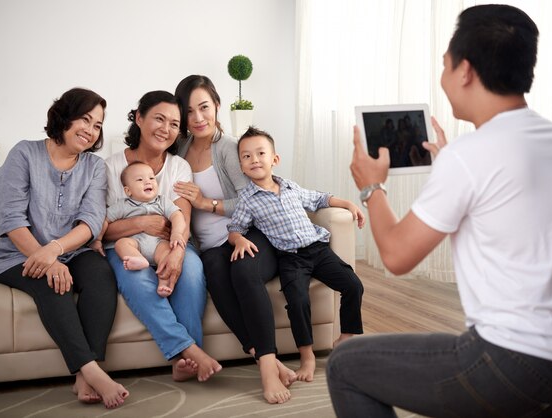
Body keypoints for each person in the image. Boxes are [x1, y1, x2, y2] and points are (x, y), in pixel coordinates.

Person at [327, 4, 552, 418]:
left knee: (345, 365)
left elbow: (395, 256)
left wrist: (371, 187)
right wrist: (454, 162)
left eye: (445, 65)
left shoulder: (471, 156)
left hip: (513, 366)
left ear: (465, 70)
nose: (443, 77)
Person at [0, 87, 129, 409]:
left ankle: (83, 378)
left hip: (72, 251)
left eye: (97, 124)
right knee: (54, 285)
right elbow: (10, 218)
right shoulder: (24, 153)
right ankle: (93, 370)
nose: (90, 130)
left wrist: (54, 250)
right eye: (84, 119)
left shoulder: (93, 167)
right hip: (16, 255)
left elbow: (91, 221)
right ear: (64, 116)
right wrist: (47, 259)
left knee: (100, 275)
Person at [173, 75, 296, 404]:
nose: (198, 118)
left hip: (250, 233)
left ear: (216, 106)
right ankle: (262, 355)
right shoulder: (180, 149)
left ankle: (267, 370)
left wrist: (206, 204)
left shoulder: (228, 148)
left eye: (204, 108)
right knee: (215, 274)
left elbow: (250, 199)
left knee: (243, 271)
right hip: (212, 246)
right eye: (189, 112)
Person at [228, 126, 366, 383]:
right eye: (247, 156)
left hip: (318, 249)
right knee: (299, 300)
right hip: (290, 258)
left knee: (353, 285)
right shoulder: (247, 199)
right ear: (241, 166)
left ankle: (346, 338)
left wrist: (348, 204)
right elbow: (235, 227)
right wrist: (238, 240)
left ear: (274, 159)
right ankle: (307, 357)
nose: (254, 159)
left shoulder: (290, 187)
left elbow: (320, 199)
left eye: (260, 153)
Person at [103, 90, 221, 382]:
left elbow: (182, 217)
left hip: (172, 243)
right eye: (159, 119)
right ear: (139, 118)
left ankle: (183, 365)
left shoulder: (179, 167)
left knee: (191, 271)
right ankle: (190, 351)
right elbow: (103, 229)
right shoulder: (109, 167)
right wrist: (143, 222)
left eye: (173, 123)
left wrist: (179, 252)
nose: (166, 129)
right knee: (136, 276)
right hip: (124, 247)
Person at [91, 161, 186, 297]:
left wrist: (176, 233)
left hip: (159, 243)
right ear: (128, 190)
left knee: (167, 256)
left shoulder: (162, 201)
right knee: (121, 244)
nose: (148, 182)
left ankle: (163, 283)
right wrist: (98, 239)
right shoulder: (123, 205)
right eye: (140, 180)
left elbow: (177, 216)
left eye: (151, 178)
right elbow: (105, 220)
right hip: (135, 244)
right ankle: (137, 259)